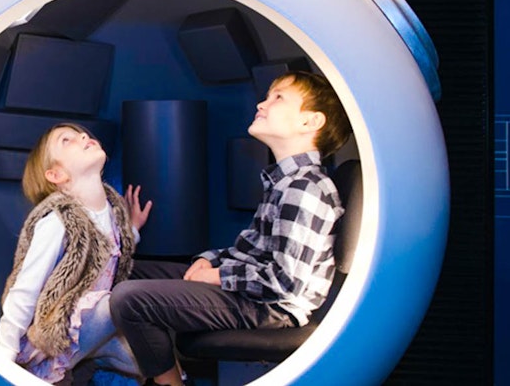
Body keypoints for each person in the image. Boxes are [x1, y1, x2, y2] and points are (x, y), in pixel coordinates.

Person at [110, 71, 352, 386]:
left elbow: (286, 283)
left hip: (273, 307)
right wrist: (209, 259)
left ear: (310, 122)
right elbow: (249, 250)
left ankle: (170, 382)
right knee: (124, 270)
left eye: (277, 97)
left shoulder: (304, 187)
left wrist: (218, 276)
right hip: (254, 291)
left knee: (130, 298)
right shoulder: (284, 181)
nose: (262, 104)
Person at [0, 122, 153, 384]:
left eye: (82, 134)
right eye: (66, 141)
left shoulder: (112, 213)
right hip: (56, 332)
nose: (82, 136)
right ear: (56, 175)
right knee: (120, 302)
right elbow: (25, 289)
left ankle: (96, 360)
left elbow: (111, 253)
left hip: (93, 329)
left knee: (149, 357)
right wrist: (2, 356)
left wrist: (132, 229)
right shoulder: (58, 222)